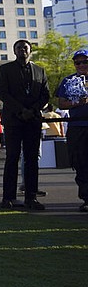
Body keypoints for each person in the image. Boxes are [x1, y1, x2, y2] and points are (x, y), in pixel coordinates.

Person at [0, 40, 48, 210]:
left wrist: (32, 110)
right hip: (13, 120)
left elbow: (45, 95)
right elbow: (3, 93)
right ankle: (8, 198)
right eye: (18, 48)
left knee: (32, 160)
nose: (22, 50)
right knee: (12, 157)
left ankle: (31, 197)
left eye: (25, 48)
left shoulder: (40, 71)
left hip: (33, 120)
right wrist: (21, 110)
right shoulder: (5, 69)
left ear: (30, 50)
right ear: (14, 51)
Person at [55, 49, 88, 212]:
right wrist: (78, 103)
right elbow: (61, 103)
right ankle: (86, 198)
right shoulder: (69, 81)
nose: (81, 65)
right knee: (80, 163)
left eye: (85, 61)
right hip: (77, 126)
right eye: (78, 62)